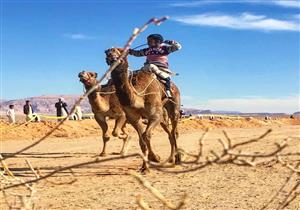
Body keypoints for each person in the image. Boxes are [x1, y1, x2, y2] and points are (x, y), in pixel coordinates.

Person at [128, 34, 182, 98]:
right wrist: (130, 51)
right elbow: (138, 53)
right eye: (148, 41)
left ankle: (167, 90)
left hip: (161, 68)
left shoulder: (165, 48)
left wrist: (172, 42)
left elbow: (178, 47)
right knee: (131, 74)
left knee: (166, 78)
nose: (147, 43)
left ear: (158, 41)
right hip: (148, 68)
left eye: (150, 41)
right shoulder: (147, 50)